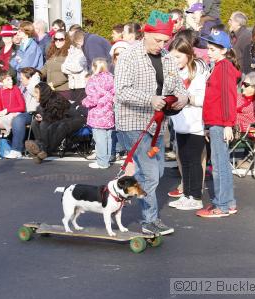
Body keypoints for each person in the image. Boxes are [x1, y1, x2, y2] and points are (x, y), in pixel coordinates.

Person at [115, 10, 189, 235]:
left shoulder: (167, 57)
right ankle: (149, 220)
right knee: (149, 174)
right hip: (131, 121)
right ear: (145, 33)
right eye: (158, 40)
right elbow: (122, 90)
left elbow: (179, 87)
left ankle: (117, 190)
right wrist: (150, 99)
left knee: (155, 173)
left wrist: (183, 99)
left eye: (165, 41)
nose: (161, 45)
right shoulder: (129, 56)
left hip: (157, 124)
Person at [195, 31, 241, 218]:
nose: (209, 52)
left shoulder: (223, 67)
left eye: (213, 49)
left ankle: (221, 205)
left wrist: (228, 124)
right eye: (209, 49)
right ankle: (228, 202)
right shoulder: (220, 66)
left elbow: (228, 98)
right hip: (217, 121)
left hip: (220, 122)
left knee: (219, 163)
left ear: (224, 50)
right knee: (221, 162)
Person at [166, 37, 209, 211]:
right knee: (183, 159)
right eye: (172, 57)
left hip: (195, 123)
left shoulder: (198, 72)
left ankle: (196, 196)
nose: (174, 61)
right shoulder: (175, 72)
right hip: (180, 122)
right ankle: (187, 194)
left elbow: (203, 99)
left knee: (194, 160)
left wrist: (188, 99)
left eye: (178, 57)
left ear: (188, 55)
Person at [25, 82, 85, 163]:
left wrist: (42, 117)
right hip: (61, 119)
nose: (34, 94)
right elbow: (48, 116)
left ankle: (43, 149)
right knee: (35, 123)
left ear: (43, 93)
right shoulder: (44, 101)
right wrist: (38, 115)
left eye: (36, 92)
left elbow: (54, 117)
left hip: (74, 119)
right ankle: (40, 149)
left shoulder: (55, 99)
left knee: (46, 124)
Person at [82, 58, 115, 169]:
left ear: (93, 67)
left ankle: (102, 162)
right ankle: (108, 158)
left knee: (99, 140)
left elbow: (93, 99)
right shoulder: (111, 78)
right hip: (109, 114)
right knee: (108, 138)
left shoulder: (93, 80)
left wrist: (84, 102)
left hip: (97, 115)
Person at [5, 67, 41, 159]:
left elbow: (35, 93)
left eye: (22, 77)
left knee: (18, 119)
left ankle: (17, 150)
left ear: (30, 78)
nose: (20, 79)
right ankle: (7, 146)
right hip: (22, 112)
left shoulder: (36, 86)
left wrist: (34, 80)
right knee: (13, 117)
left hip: (33, 113)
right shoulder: (22, 87)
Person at [61, 30, 88, 108]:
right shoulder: (71, 49)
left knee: (81, 107)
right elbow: (63, 67)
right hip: (72, 84)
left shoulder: (83, 50)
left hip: (81, 84)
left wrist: (67, 66)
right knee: (74, 107)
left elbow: (78, 67)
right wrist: (68, 66)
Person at [40, 30, 70, 95]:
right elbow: (45, 67)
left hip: (64, 90)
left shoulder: (69, 54)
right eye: (56, 39)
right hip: (52, 90)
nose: (58, 41)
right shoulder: (53, 52)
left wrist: (53, 84)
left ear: (66, 40)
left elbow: (69, 73)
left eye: (61, 39)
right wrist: (37, 75)